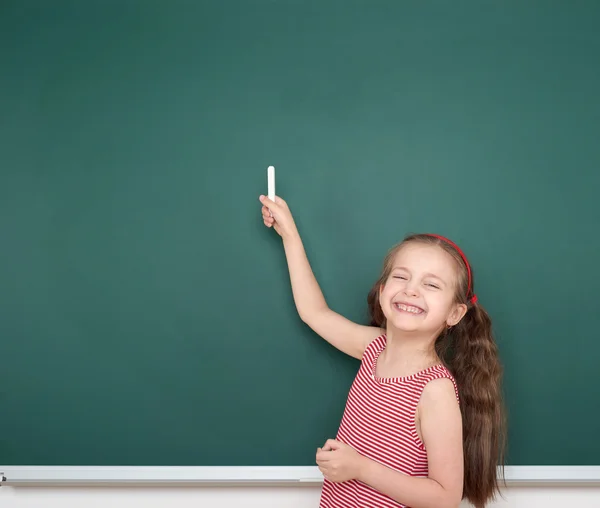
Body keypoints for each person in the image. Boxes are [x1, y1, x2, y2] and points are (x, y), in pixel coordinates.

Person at [259, 194, 506, 508]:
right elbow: (314, 312)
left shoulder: (435, 390)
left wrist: (360, 468)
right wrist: (289, 235)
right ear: (382, 290)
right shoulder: (374, 348)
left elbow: (444, 497)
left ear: (454, 314)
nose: (410, 289)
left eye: (431, 285)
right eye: (400, 276)